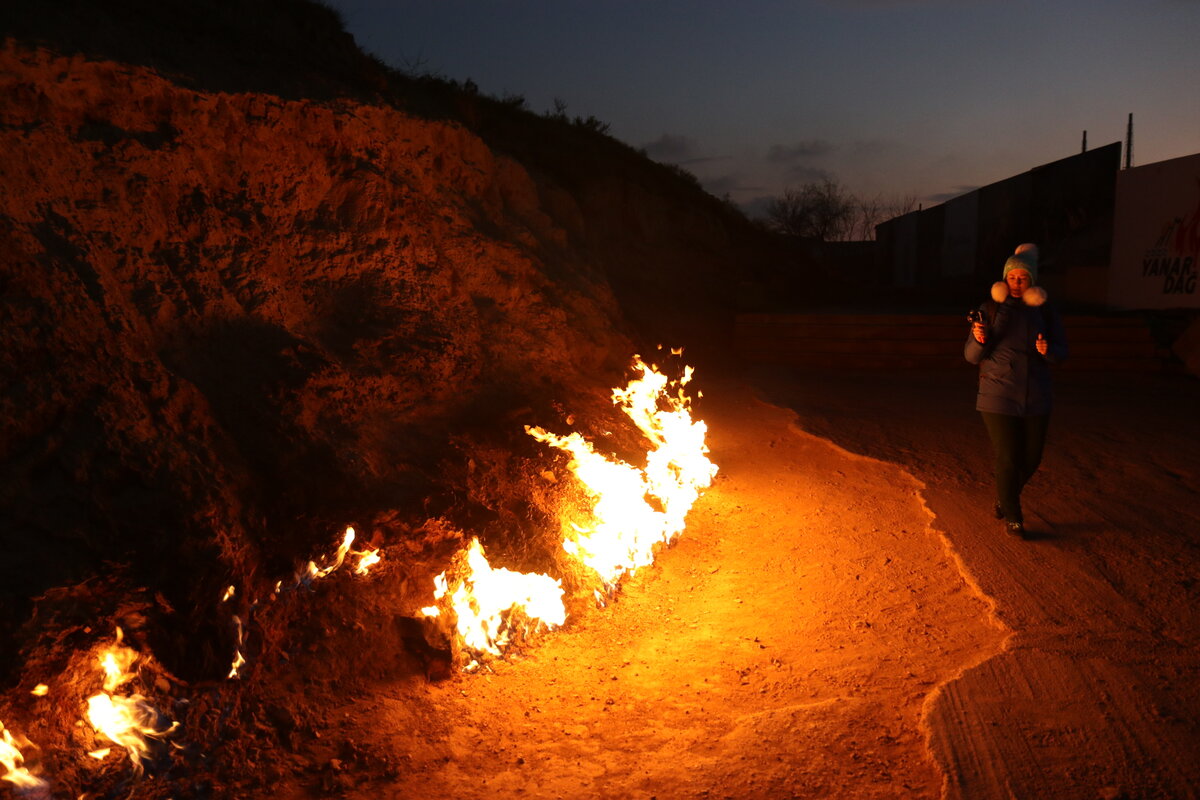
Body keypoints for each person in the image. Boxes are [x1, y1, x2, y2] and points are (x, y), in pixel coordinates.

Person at [964, 243, 1068, 538]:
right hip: (997, 395)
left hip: (1036, 396)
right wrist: (979, 339)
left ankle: (1004, 496)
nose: (1017, 283)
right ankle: (1014, 516)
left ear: (1032, 281)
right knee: (1008, 455)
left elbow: (1062, 351)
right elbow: (971, 357)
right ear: (1005, 280)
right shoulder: (991, 309)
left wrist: (1048, 351)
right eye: (1012, 278)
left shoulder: (1045, 312)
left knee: (1032, 457)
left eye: (1023, 278)